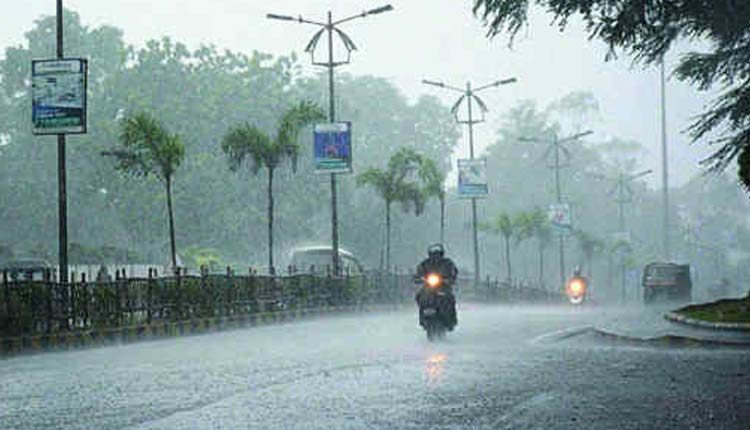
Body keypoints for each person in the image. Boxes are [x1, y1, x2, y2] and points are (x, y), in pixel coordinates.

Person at [415, 243, 458, 328]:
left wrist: (450, 279)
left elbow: (453, 271)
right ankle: (422, 318)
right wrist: (419, 278)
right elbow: (419, 272)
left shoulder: (447, 263)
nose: (435, 256)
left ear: (441, 254)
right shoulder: (425, 263)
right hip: (428, 287)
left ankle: (451, 319)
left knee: (450, 298)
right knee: (419, 296)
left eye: (437, 254)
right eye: (433, 254)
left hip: (443, 286)